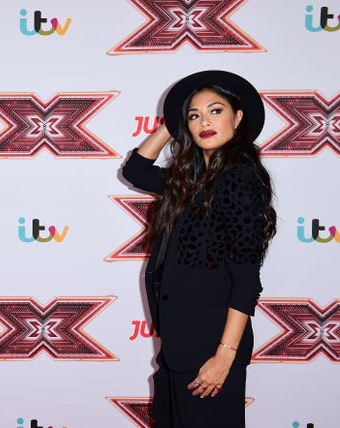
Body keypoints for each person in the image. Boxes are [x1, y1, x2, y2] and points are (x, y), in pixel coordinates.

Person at [121, 70, 277, 427]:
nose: (204, 121)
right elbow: (137, 170)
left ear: (238, 119)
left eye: (216, 110)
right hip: (179, 345)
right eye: (195, 115)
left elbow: (246, 280)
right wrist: (173, 124)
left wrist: (224, 357)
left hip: (210, 348)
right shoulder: (189, 183)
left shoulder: (239, 178)